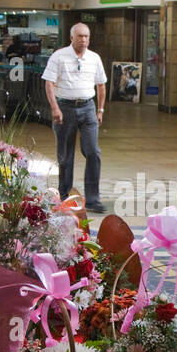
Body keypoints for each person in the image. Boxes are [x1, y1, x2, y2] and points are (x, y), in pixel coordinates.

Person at [44, 22, 107, 212]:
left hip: (88, 107)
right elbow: (49, 84)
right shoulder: (59, 56)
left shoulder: (94, 58)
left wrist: (101, 109)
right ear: (72, 37)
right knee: (65, 156)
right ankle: (64, 196)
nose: (84, 40)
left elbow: (101, 85)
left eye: (86, 36)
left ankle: (93, 198)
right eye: (80, 36)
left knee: (93, 152)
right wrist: (55, 108)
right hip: (65, 107)